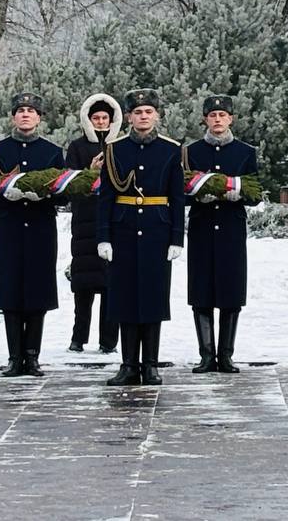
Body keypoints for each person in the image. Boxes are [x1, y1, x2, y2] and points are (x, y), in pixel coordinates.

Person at [96, 89, 186, 386]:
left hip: (157, 231)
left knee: (153, 297)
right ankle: (128, 364)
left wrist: (176, 238)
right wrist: (103, 237)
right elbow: (106, 197)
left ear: (157, 115)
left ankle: (150, 365)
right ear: (129, 117)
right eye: (137, 112)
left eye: (148, 112)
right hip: (122, 231)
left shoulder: (172, 150)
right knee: (124, 298)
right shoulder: (115, 149)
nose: (143, 116)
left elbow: (176, 197)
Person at [0, 92, 65, 378]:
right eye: (20, 110)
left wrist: (42, 195)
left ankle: (33, 356)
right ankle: (14, 357)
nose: (25, 115)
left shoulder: (52, 152)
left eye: (31, 110)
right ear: (13, 116)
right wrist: (7, 194)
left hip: (41, 228)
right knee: (11, 291)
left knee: (37, 292)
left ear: (39, 117)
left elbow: (61, 193)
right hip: (10, 227)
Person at [184, 94, 260, 374]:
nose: (217, 120)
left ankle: (226, 355)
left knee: (231, 291)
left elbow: (255, 193)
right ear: (205, 119)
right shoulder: (191, 152)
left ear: (231, 119)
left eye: (222, 115)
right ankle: (206, 355)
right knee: (201, 290)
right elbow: (182, 190)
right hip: (203, 228)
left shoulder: (245, 152)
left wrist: (237, 195)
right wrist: (197, 198)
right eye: (212, 115)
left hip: (231, 228)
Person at [64, 94, 123, 354]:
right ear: (88, 120)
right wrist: (90, 170)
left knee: (111, 284)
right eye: (96, 118)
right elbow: (69, 183)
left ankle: (108, 341)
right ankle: (78, 338)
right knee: (83, 285)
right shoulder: (77, 147)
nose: (100, 122)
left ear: (112, 121)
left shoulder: (120, 146)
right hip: (85, 220)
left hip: (113, 221)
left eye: (105, 119)